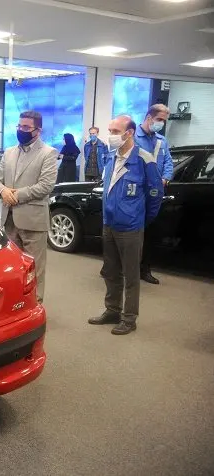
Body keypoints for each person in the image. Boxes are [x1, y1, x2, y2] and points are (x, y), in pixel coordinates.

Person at [88, 115, 163, 335]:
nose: (110, 135)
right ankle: (112, 310)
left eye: (115, 131)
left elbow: (155, 194)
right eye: (110, 131)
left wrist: (140, 219)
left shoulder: (144, 160)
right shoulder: (111, 157)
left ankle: (129, 318)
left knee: (131, 275)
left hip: (130, 227)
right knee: (110, 272)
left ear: (129, 133)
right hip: (109, 224)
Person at [0, 110, 58, 302]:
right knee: (13, 269)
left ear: (38, 130)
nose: (21, 130)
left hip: (33, 222)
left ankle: (34, 307)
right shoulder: (9, 152)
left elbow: (46, 186)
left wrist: (15, 195)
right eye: (19, 126)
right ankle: (15, 305)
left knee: (34, 269)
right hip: (9, 221)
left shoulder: (48, 153)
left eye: (26, 127)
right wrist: (3, 191)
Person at [135, 104, 174, 285]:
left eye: (164, 121)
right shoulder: (133, 137)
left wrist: (165, 178)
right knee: (130, 233)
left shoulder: (161, 140)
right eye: (159, 119)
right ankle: (122, 268)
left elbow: (168, 162)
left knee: (150, 233)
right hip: (136, 193)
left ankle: (145, 269)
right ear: (149, 117)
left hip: (154, 194)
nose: (161, 124)